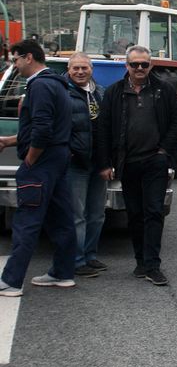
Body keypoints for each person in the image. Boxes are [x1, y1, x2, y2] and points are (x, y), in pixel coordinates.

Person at [96, 45, 177, 286]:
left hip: (155, 161)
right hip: (128, 163)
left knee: (154, 211)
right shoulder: (114, 92)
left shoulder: (164, 90)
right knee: (135, 214)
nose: (139, 68)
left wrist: (164, 150)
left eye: (144, 64)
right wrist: (105, 163)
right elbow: (103, 128)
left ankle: (153, 265)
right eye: (134, 64)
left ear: (150, 66)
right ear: (127, 66)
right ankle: (140, 262)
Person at [0, 40, 75, 297]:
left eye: (17, 59)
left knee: (27, 221)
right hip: (59, 159)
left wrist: (30, 159)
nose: (15, 65)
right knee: (61, 217)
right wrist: (10, 141)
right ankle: (63, 273)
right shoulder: (56, 84)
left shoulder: (40, 86)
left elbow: (42, 129)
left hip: (41, 163)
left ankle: (11, 281)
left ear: (29, 57)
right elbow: (43, 128)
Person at [64, 53, 107, 278]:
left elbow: (107, 128)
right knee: (77, 215)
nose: (80, 72)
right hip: (75, 164)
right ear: (69, 70)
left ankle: (91, 255)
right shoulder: (63, 93)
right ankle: (77, 260)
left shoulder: (100, 93)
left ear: (92, 69)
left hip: (98, 164)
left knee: (97, 214)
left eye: (84, 68)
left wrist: (107, 161)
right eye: (75, 68)